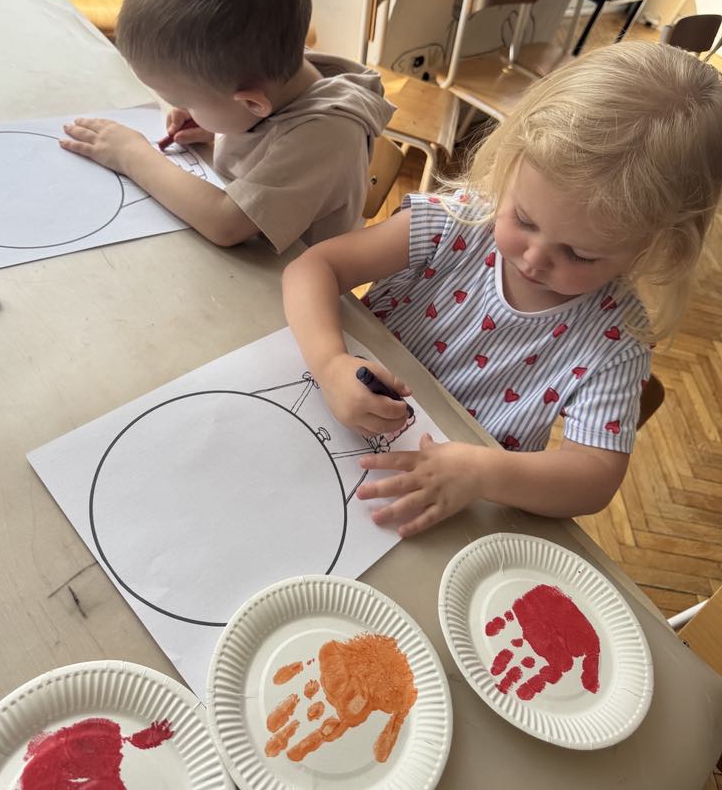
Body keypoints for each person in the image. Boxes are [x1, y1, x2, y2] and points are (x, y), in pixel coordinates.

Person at [283, 43, 722, 536]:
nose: (534, 259)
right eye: (524, 220)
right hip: (325, 422)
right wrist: (329, 363)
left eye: (580, 255)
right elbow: (313, 268)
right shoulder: (460, 223)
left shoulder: (615, 343)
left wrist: (484, 472)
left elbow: (594, 478)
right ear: (510, 167)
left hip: (445, 513)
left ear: (654, 247)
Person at [60, 0, 394, 253]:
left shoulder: (326, 138)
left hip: (284, 280)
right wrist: (214, 126)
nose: (183, 110)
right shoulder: (273, 69)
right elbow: (264, 129)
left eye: (187, 102)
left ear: (252, 104)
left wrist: (131, 154)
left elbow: (225, 222)